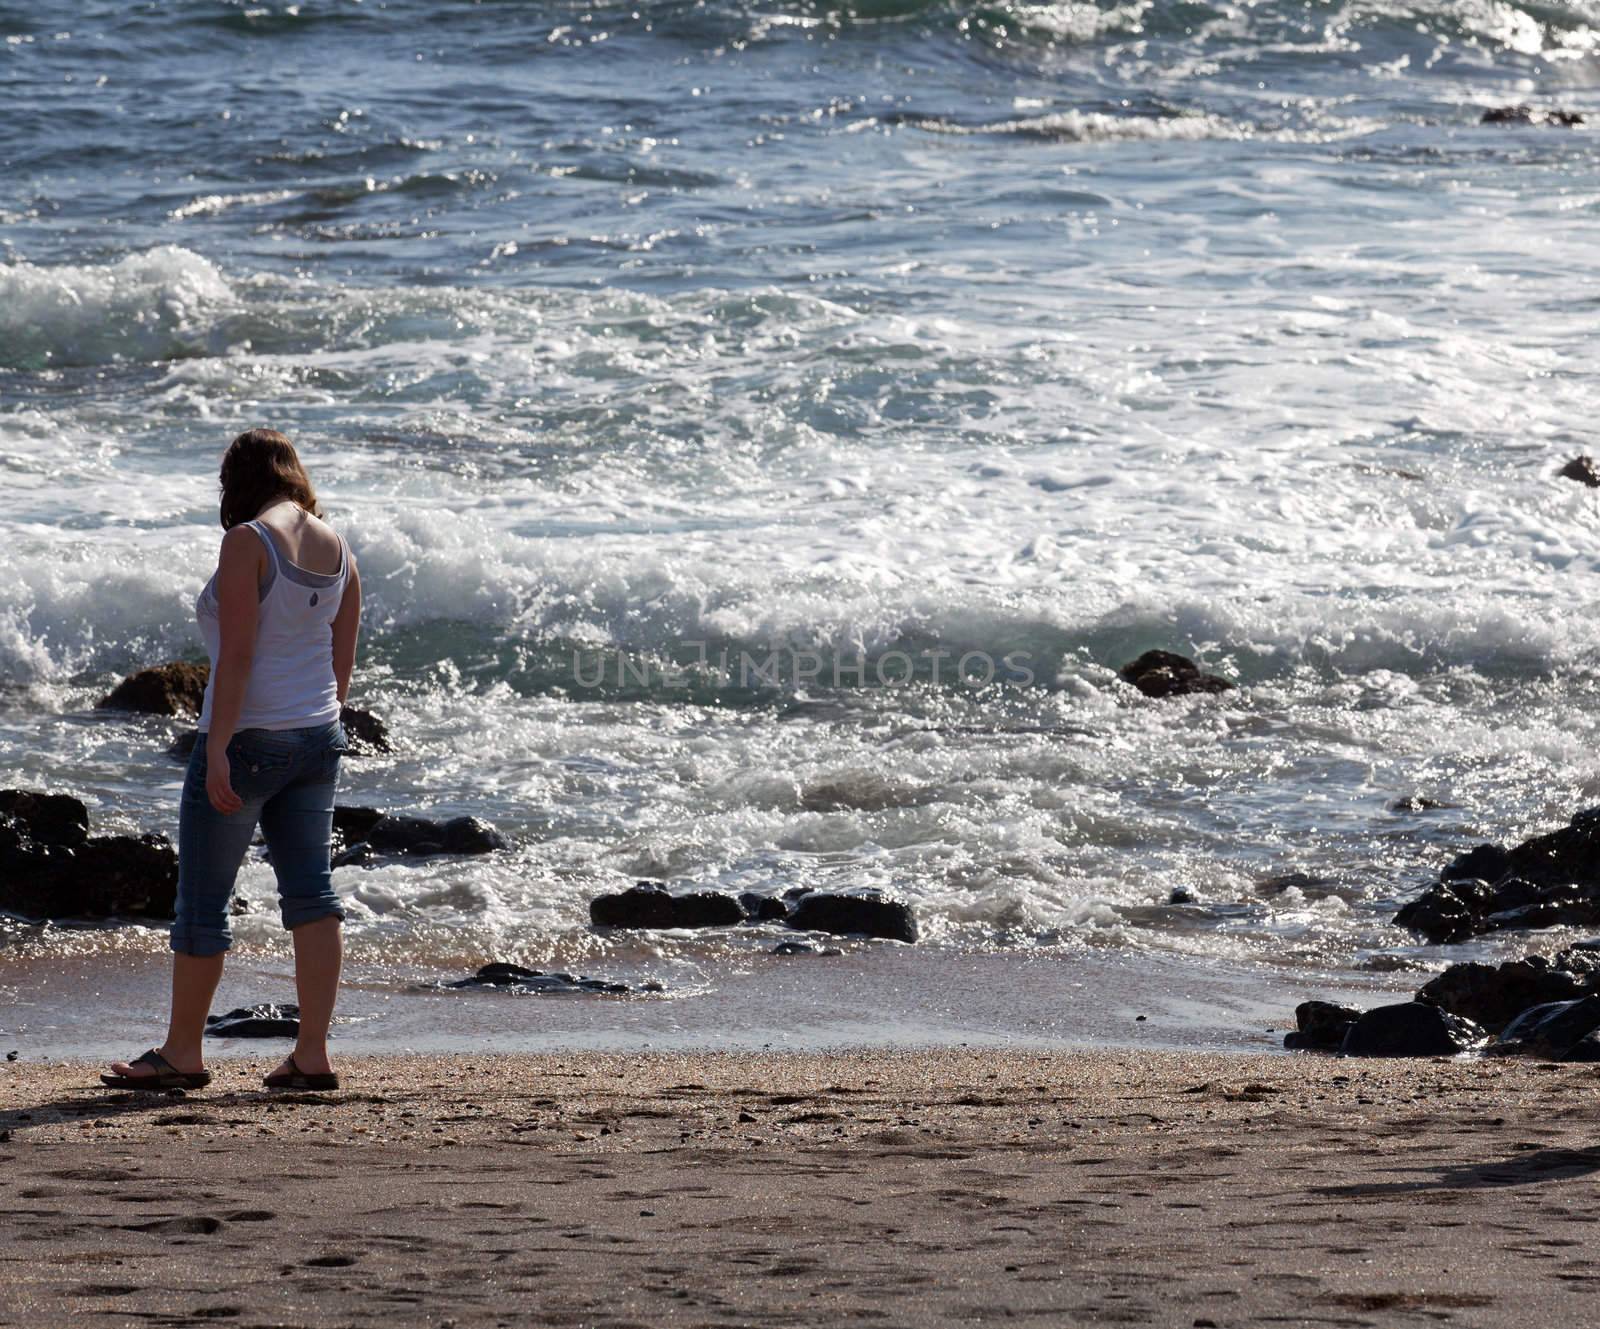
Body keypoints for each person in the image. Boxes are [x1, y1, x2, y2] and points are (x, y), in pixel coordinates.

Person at [103, 429, 362, 1092]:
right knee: (312, 893)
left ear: (237, 481)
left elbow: (240, 655)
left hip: (249, 739)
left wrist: (216, 746)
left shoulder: (248, 540)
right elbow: (341, 668)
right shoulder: (339, 551)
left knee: (203, 903)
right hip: (316, 736)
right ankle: (312, 1054)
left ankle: (182, 1053)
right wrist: (315, 729)